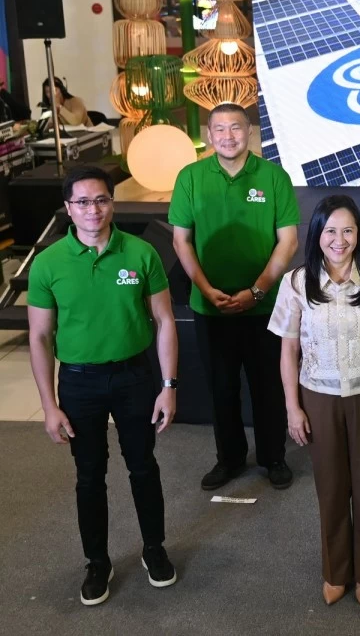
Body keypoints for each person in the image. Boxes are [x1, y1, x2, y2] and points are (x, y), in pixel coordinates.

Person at [26, 165, 179, 606]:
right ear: (68, 208)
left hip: (135, 377)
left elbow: (165, 320)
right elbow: (39, 337)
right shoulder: (48, 263)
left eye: (101, 200)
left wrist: (168, 385)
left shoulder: (141, 253)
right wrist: (48, 405)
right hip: (79, 383)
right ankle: (97, 562)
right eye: (82, 202)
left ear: (112, 202)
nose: (92, 209)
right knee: (89, 475)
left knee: (143, 466)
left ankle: (154, 548)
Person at [270, 195, 360, 608]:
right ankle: (336, 571)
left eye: (348, 230)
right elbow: (288, 351)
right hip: (318, 397)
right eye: (330, 230)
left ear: (359, 234)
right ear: (316, 234)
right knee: (330, 489)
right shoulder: (296, 282)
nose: (339, 239)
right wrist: (293, 407)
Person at [169, 103, 300, 490]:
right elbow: (181, 240)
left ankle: (273, 456)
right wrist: (206, 289)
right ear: (209, 135)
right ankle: (229, 459)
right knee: (221, 388)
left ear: (250, 133)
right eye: (220, 129)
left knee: (267, 387)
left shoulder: (274, 177)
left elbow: (288, 241)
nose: (228, 136)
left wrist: (257, 290)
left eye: (237, 128)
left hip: (266, 307)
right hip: (211, 307)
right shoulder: (190, 178)